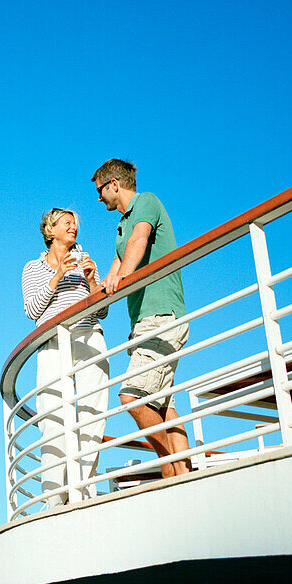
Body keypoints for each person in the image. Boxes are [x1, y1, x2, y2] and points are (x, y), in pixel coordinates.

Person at [91, 158, 192, 477]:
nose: (99, 199)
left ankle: (169, 466)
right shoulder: (121, 226)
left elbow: (140, 240)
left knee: (131, 396)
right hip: (142, 323)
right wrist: (97, 284)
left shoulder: (146, 203)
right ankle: (186, 475)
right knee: (163, 406)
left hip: (161, 317)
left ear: (114, 185)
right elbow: (114, 273)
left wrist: (121, 277)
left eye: (100, 191)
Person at [21, 208, 109, 507]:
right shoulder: (33, 267)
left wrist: (93, 283)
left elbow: (102, 311)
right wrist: (57, 276)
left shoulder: (86, 260)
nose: (74, 227)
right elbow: (32, 311)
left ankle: (83, 490)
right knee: (53, 417)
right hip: (52, 342)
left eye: (76, 223)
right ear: (50, 229)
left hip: (88, 336)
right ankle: (53, 497)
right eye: (67, 223)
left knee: (92, 414)